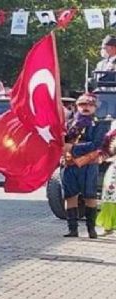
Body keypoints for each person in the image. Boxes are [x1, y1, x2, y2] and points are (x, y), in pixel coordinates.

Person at [62, 93, 109, 239]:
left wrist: (72, 148)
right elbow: (60, 141)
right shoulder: (69, 124)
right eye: (82, 105)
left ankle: (91, 230)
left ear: (95, 107)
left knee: (90, 196)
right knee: (70, 196)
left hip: (89, 165)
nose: (86, 107)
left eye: (89, 105)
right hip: (70, 164)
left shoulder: (100, 124)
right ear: (77, 106)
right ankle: (72, 230)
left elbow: (96, 144)